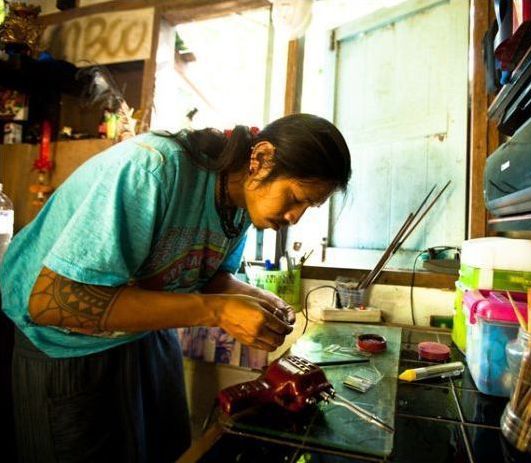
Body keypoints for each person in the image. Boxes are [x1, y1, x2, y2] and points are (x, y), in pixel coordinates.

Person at [0, 113, 352, 462]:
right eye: (295, 197)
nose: (295, 217)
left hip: (142, 335)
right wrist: (217, 311)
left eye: (309, 206)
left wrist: (254, 297)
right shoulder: (152, 171)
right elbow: (52, 301)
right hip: (66, 347)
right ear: (260, 160)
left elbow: (207, 275)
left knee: (169, 448)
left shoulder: (241, 206)